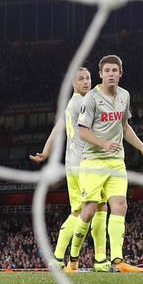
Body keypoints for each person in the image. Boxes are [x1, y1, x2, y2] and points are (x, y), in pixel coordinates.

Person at [67, 55, 143, 273]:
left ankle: (118, 261)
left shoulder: (125, 95)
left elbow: (124, 126)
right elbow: (83, 131)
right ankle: (73, 260)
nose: (111, 74)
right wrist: (104, 143)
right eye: (107, 70)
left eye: (115, 70)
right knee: (88, 211)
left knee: (120, 205)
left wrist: (142, 148)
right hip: (93, 162)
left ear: (120, 73)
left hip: (116, 162)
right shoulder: (91, 98)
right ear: (101, 74)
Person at [30, 67, 108, 272]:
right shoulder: (84, 103)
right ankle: (97, 259)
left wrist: (46, 152)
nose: (86, 82)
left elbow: (58, 127)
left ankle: (59, 258)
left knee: (81, 211)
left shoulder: (72, 104)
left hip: (73, 166)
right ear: (73, 83)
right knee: (97, 209)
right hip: (85, 165)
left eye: (88, 78)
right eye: (81, 79)